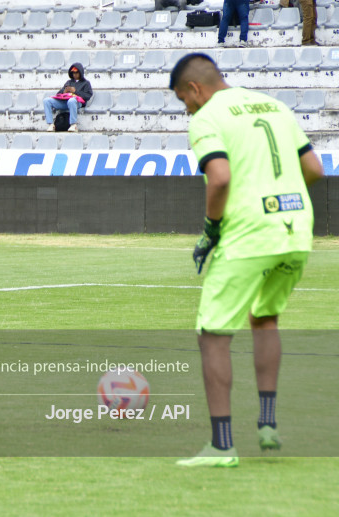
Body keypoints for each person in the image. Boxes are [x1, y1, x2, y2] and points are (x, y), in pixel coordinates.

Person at [169, 53, 324, 467]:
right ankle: (267, 423)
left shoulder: (206, 118)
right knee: (265, 318)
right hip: (295, 227)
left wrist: (210, 229)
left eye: (183, 99)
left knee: (214, 333)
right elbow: (313, 167)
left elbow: (219, 177)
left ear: (194, 89)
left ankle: (222, 447)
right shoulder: (275, 105)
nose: (186, 108)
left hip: (249, 233)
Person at [42, 63, 93, 133]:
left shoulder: (86, 83)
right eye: (73, 73)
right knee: (46, 100)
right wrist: (64, 91)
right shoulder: (69, 82)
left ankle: (73, 125)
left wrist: (76, 91)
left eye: (76, 72)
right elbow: (58, 94)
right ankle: (51, 124)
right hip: (65, 102)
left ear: (80, 72)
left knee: (71, 101)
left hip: (77, 102)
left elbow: (88, 95)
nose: (75, 74)